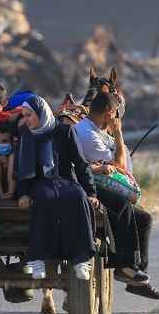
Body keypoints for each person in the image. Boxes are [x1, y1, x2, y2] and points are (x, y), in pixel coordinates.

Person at [73, 92, 159, 300]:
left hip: (99, 182)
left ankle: (137, 276)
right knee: (120, 205)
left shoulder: (98, 131)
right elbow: (121, 166)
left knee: (144, 219)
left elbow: (122, 169)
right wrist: (119, 132)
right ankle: (125, 264)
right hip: (85, 184)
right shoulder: (87, 134)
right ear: (109, 114)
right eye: (114, 117)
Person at [15, 96, 99, 281]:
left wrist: (91, 193)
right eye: (25, 115)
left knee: (78, 196)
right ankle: (38, 258)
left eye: (29, 115)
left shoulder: (65, 131)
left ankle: (81, 258)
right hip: (39, 182)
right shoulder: (25, 134)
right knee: (44, 198)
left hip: (66, 180)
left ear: (41, 113)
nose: (27, 119)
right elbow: (21, 168)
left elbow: (81, 165)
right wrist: (23, 194)